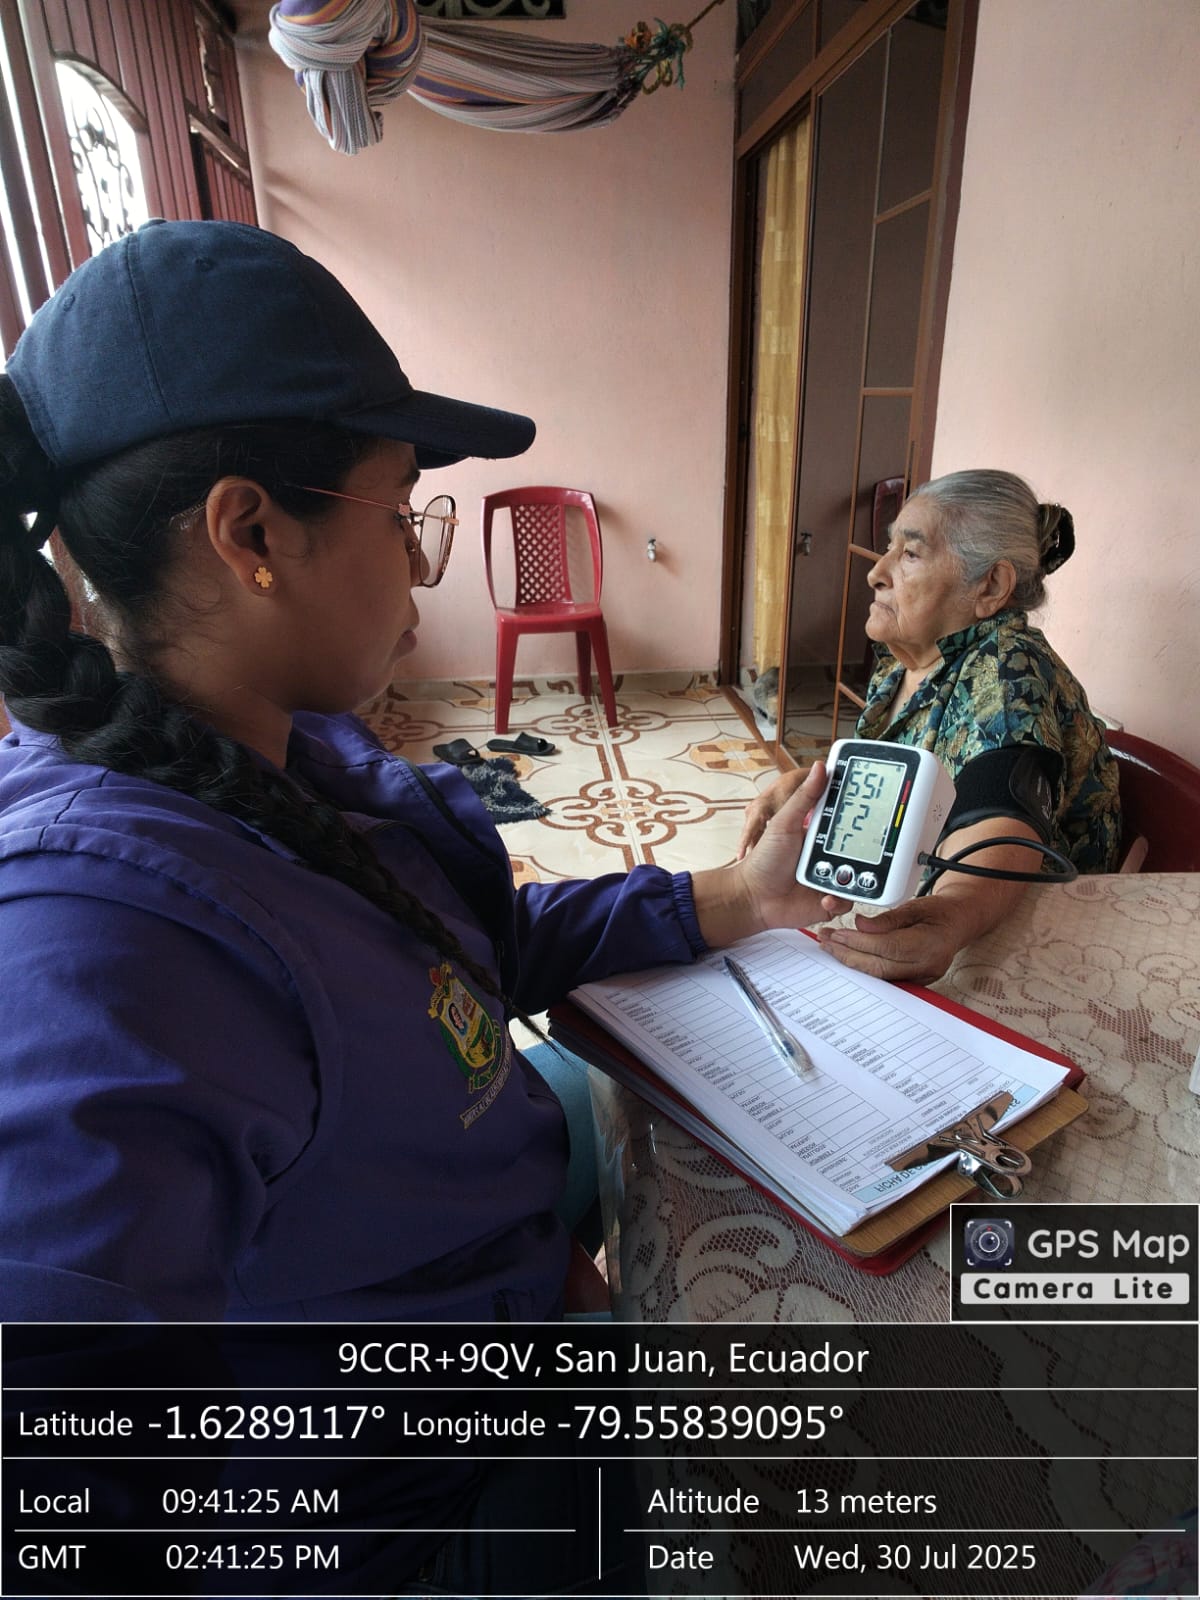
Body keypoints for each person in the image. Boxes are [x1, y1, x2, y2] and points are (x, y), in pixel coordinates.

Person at [0, 219, 845, 1590]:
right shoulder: (99, 937)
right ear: (251, 532)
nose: (419, 563)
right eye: (404, 514)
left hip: (479, 1251)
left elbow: (464, 958)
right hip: (420, 1504)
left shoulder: (279, 758)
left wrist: (735, 895)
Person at [737, 470, 1120, 984]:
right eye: (889, 548)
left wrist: (953, 912)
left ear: (990, 586)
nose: (877, 572)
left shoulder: (1009, 669)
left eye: (911, 554)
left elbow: (1001, 810)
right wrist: (807, 784)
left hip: (1030, 945)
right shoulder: (906, 662)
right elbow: (903, 775)